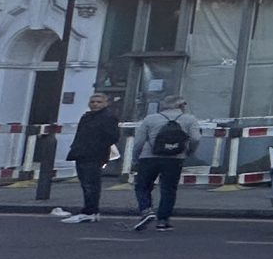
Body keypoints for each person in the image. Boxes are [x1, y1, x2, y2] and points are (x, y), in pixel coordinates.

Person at [131, 94, 197, 232]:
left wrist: (135, 158)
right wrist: (189, 152)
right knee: (168, 189)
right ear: (181, 105)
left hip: (149, 157)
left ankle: (146, 210)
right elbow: (196, 138)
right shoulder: (189, 119)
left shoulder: (150, 119)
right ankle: (163, 221)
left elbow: (138, 142)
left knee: (142, 186)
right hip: (175, 158)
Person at [54, 94, 122, 224]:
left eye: (99, 102)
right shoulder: (87, 117)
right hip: (82, 153)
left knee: (91, 184)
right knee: (86, 184)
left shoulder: (108, 117)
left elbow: (113, 137)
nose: (95, 104)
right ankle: (92, 212)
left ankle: (89, 212)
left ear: (106, 103)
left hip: (94, 155)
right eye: (93, 101)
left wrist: (97, 148)